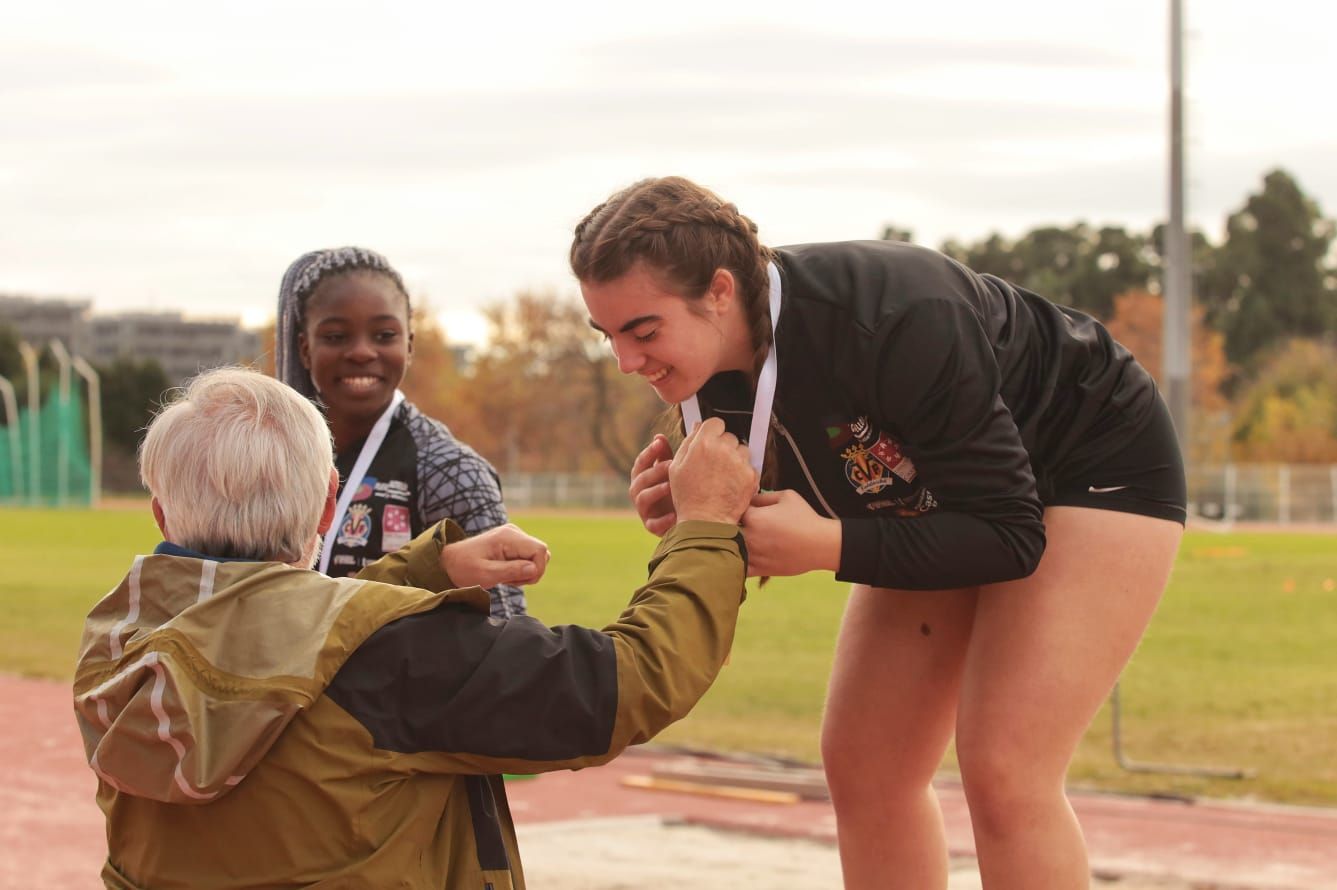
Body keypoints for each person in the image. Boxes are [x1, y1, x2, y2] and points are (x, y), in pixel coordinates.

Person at [570, 176, 1187, 889]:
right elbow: (794, 504)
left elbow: (1008, 534)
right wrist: (703, 520)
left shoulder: (898, 314)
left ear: (718, 291)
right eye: (607, 334)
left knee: (1005, 768)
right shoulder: (706, 371)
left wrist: (826, 546)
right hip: (948, 488)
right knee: (867, 764)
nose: (624, 361)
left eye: (642, 330)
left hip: (1085, 457)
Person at [73, 367, 757, 890]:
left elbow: (259, 630)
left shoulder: (121, 643)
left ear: (161, 515)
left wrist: (428, 569)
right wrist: (704, 527)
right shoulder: (397, 657)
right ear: (326, 507)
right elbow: (624, 686)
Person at [274, 246, 525, 618]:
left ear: (408, 346)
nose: (361, 352)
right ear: (304, 349)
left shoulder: (452, 471)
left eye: (384, 334)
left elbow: (505, 633)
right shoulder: (273, 465)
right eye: (336, 336)